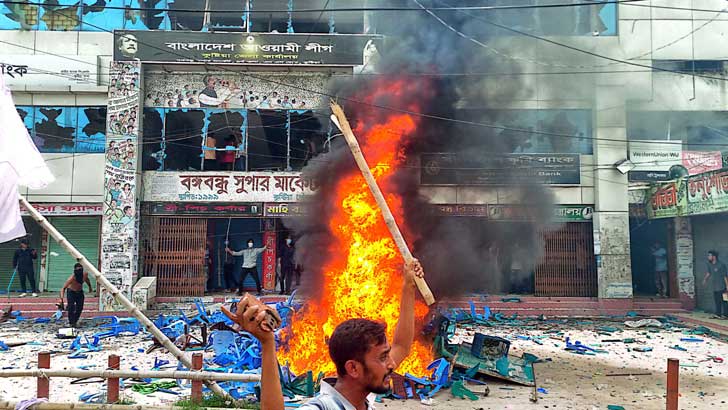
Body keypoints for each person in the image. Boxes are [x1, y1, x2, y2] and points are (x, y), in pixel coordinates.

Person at [222, 259, 424, 410]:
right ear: (353, 368)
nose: (391, 364)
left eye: (386, 355)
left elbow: (402, 346)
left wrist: (408, 286)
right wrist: (267, 344)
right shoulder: (324, 407)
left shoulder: (361, 399)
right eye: (382, 357)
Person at [60, 263, 94, 328]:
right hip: (71, 292)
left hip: (79, 292)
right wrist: (61, 299)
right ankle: (71, 322)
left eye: (80, 271)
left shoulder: (84, 274)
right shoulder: (72, 278)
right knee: (71, 307)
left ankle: (74, 321)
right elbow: (63, 288)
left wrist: (90, 287)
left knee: (80, 307)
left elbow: (87, 280)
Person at [703, 250, 728, 319]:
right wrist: (705, 279)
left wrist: (727, 286)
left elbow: (725, 276)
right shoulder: (709, 264)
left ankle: (726, 315)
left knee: (724, 301)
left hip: (722, 286)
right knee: (717, 301)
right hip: (715, 286)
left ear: (714, 257)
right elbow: (709, 273)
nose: (708, 257)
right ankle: (718, 314)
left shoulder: (721, 265)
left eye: (709, 256)